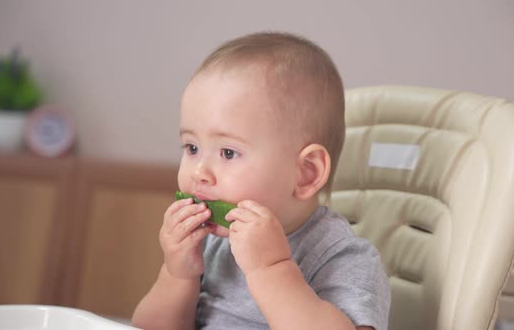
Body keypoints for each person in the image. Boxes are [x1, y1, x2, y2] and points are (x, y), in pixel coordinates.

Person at [132, 31, 390, 330]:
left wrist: (271, 270)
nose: (199, 171)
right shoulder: (212, 243)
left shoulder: (342, 257)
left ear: (306, 173)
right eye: (191, 148)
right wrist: (177, 274)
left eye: (228, 152)